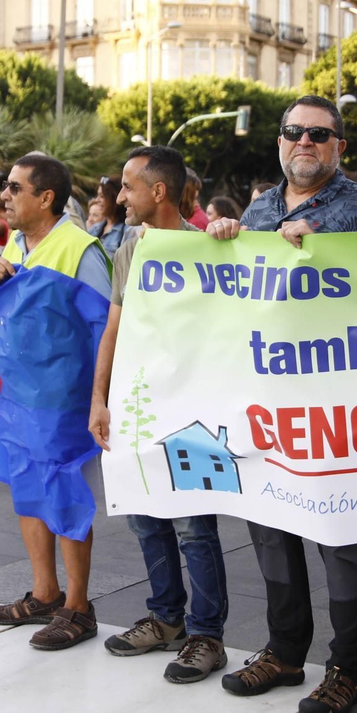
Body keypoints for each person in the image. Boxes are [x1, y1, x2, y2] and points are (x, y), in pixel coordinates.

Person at [208, 95, 357, 713]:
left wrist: (323, 250)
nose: (304, 142)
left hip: (334, 407)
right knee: (271, 529)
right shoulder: (258, 207)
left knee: (341, 537)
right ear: (280, 141)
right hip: (267, 403)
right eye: (293, 132)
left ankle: (346, 669)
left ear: (339, 145)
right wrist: (225, 243)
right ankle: (285, 651)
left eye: (319, 134)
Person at [89, 145, 229, 684]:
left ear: (159, 192)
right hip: (139, 405)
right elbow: (113, 329)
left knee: (195, 527)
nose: (119, 197)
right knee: (147, 519)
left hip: (194, 410)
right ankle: (166, 618)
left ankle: (206, 635)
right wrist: (99, 399)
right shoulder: (130, 248)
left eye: (127, 186)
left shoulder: (211, 249)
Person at [0, 152, 111, 649]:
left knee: (63, 494)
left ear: (46, 197)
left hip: (63, 394)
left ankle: (79, 607)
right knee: (27, 488)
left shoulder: (80, 248)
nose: (5, 196)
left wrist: (98, 395)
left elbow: (105, 323)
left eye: (16, 188)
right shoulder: (15, 244)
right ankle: (45, 592)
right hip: (19, 393)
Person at [89, 175, 130, 254]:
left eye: (102, 196)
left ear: (114, 199)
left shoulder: (127, 231)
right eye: (97, 195)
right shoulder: (94, 229)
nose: (97, 200)